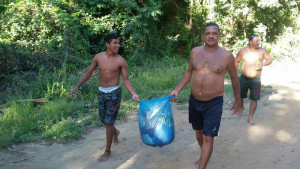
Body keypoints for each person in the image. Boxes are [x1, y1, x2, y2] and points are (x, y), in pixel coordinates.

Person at [170, 22, 241, 169]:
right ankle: (204, 155)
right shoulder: (195, 52)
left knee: (209, 137)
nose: (211, 36)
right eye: (208, 33)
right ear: (203, 36)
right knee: (199, 133)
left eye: (214, 33)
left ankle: (202, 165)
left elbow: (234, 78)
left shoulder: (227, 56)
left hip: (214, 102)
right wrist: (177, 89)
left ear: (219, 36)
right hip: (194, 100)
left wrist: (238, 99)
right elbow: (189, 72)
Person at [70, 32, 140, 162]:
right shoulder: (98, 57)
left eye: (118, 43)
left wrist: (133, 93)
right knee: (104, 121)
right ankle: (115, 132)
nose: (118, 45)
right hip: (101, 92)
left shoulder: (121, 61)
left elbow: (125, 80)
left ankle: (107, 151)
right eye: (115, 43)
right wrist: (78, 86)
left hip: (114, 93)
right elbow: (89, 72)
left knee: (108, 122)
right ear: (107, 44)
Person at [235, 34, 273, 125]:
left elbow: (270, 59)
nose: (258, 42)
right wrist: (235, 74)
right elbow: (236, 61)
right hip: (243, 78)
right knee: (240, 95)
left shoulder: (262, 51)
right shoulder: (243, 51)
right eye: (256, 41)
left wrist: (262, 64)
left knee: (254, 98)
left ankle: (250, 117)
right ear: (250, 42)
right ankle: (241, 107)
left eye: (258, 41)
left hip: (256, 79)